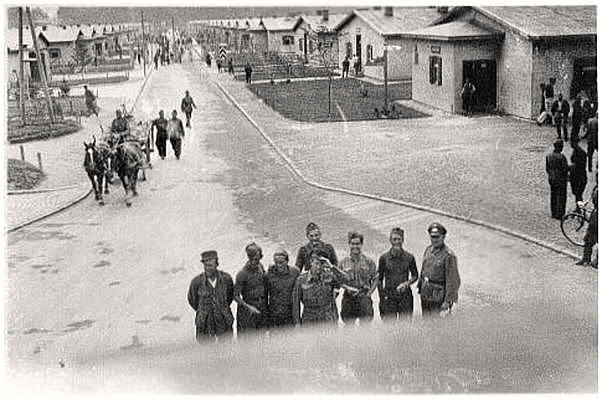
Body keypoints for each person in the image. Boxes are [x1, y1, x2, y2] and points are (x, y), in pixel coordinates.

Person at [187, 250, 234, 342]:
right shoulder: (196, 282)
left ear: (217, 265)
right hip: (205, 322)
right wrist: (204, 310)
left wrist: (221, 307)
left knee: (226, 347)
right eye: (205, 266)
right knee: (206, 349)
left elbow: (230, 297)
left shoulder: (226, 279)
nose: (207, 268)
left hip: (223, 320)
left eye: (210, 266)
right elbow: (192, 300)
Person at [292, 250, 349, 326]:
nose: (319, 267)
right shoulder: (301, 280)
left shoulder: (329, 276)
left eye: (322, 264)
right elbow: (295, 303)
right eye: (317, 263)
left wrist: (331, 266)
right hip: (309, 319)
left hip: (328, 319)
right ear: (311, 262)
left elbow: (346, 280)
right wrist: (297, 323)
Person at [418, 223, 461, 316]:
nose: (434, 240)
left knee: (438, 326)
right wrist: (420, 286)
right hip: (426, 294)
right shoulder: (428, 250)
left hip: (439, 297)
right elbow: (424, 270)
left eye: (437, 237)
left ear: (443, 237)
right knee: (426, 322)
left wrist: (448, 301)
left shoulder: (448, 256)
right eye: (432, 237)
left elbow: (453, 280)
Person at [377, 227, 419, 320]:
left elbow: (415, 275)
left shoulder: (409, 257)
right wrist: (382, 297)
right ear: (390, 240)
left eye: (399, 239)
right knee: (389, 326)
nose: (397, 242)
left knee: (405, 325)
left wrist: (407, 283)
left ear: (403, 240)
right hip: (389, 295)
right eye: (394, 239)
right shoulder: (384, 258)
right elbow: (379, 279)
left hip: (405, 296)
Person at [339, 231, 377, 324]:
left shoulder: (369, 262)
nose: (355, 246)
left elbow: (376, 278)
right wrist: (347, 288)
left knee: (366, 327)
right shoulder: (343, 262)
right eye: (352, 244)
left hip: (364, 296)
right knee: (348, 327)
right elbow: (338, 280)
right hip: (349, 298)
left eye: (357, 244)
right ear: (349, 244)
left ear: (362, 244)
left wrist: (369, 294)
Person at [234, 243, 268, 333]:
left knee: (262, 337)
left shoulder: (260, 267)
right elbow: (235, 296)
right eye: (255, 259)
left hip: (261, 307)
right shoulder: (242, 274)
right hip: (248, 311)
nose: (256, 262)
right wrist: (248, 307)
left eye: (259, 258)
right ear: (250, 258)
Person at [265, 249, 300, 328]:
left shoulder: (295, 272)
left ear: (287, 261)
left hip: (290, 314)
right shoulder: (269, 274)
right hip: (274, 314)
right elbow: (265, 295)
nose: (279, 265)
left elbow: (300, 293)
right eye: (276, 263)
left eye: (281, 263)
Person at [546, 140, 569, 219]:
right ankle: (560, 213)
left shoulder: (549, 156)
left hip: (552, 179)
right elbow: (565, 169)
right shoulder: (562, 157)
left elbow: (547, 168)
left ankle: (553, 212)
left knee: (553, 195)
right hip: (560, 179)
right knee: (561, 196)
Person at [577, 186, 598, 267]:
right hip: (594, 216)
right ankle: (586, 259)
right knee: (588, 239)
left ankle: (597, 261)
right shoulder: (596, 187)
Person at [569, 139, 588, 207]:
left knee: (578, 194)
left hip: (578, 176)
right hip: (577, 175)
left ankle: (580, 208)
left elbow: (579, 165)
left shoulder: (580, 152)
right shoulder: (577, 151)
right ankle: (579, 207)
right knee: (577, 194)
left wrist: (570, 167)